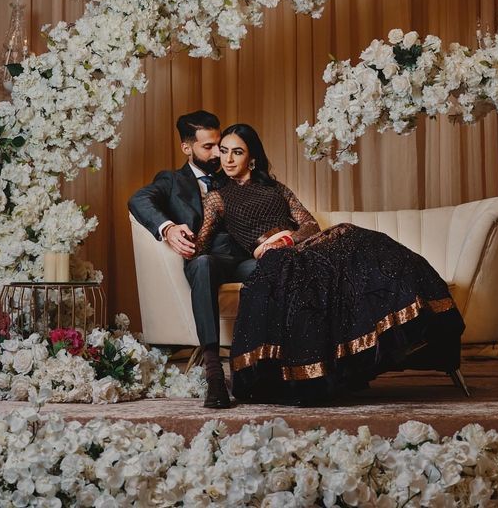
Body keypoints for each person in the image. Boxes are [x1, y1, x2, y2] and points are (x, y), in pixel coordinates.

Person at [189, 123, 465, 405]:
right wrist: (175, 231)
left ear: (253, 158)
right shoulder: (217, 197)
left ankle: (419, 316)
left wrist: (287, 240)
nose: (228, 159)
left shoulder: (276, 189)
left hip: (301, 245)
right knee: (302, 276)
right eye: (224, 151)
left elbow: (309, 223)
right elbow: (203, 244)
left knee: (359, 240)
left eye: (237, 152)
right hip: (275, 257)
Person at [128, 110, 256, 409]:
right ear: (187, 147)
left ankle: (266, 368)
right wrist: (168, 228)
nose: (218, 154)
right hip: (208, 259)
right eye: (208, 147)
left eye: (219, 144)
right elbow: (139, 200)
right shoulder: (172, 181)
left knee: (276, 267)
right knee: (202, 264)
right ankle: (214, 373)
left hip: (244, 258)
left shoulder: (235, 172)